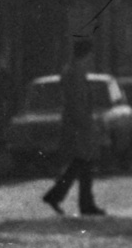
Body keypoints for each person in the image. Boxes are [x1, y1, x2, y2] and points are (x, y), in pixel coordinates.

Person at [43, 35, 104, 216]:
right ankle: (80, 202)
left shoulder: (74, 71)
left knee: (81, 164)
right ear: (86, 54)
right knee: (82, 162)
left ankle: (78, 201)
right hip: (78, 126)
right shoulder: (74, 73)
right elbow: (76, 102)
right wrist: (86, 125)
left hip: (78, 124)